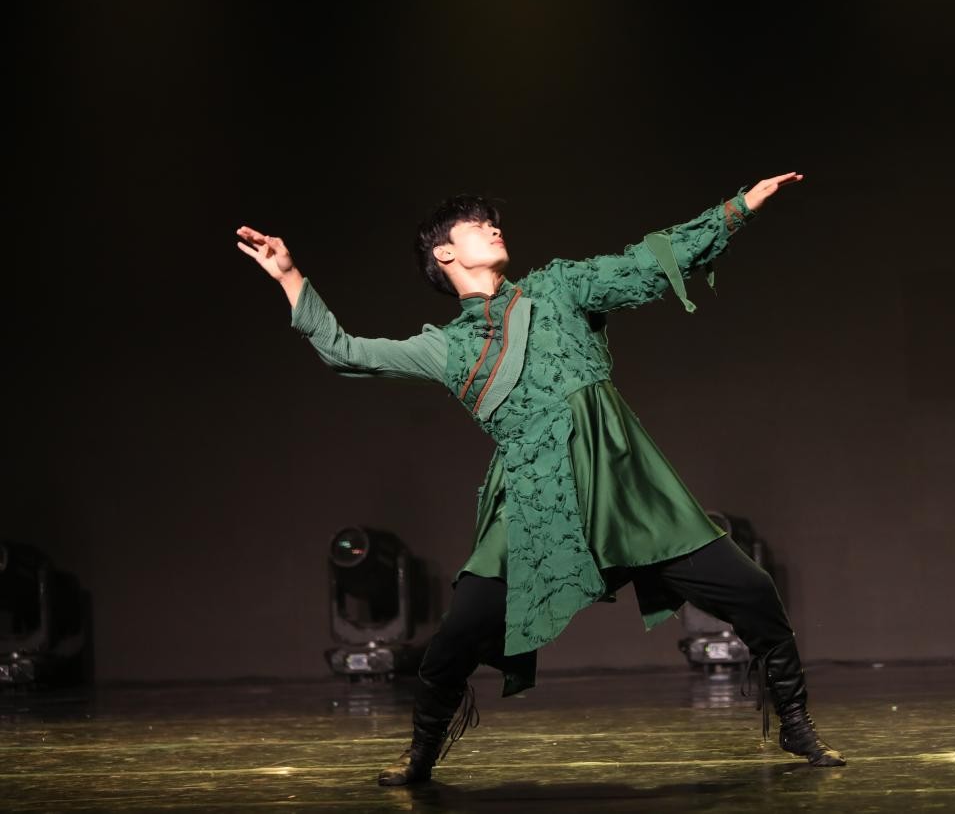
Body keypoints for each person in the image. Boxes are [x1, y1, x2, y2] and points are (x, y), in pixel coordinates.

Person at [237, 172, 845, 786]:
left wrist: (738, 208)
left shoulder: (557, 288)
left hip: (624, 487)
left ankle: (795, 722)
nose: (493, 227)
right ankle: (420, 752)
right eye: (476, 224)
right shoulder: (447, 348)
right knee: (458, 635)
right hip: (536, 500)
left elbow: (645, 265)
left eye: (493, 221)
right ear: (444, 253)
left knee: (753, 591)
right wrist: (290, 276)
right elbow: (346, 351)